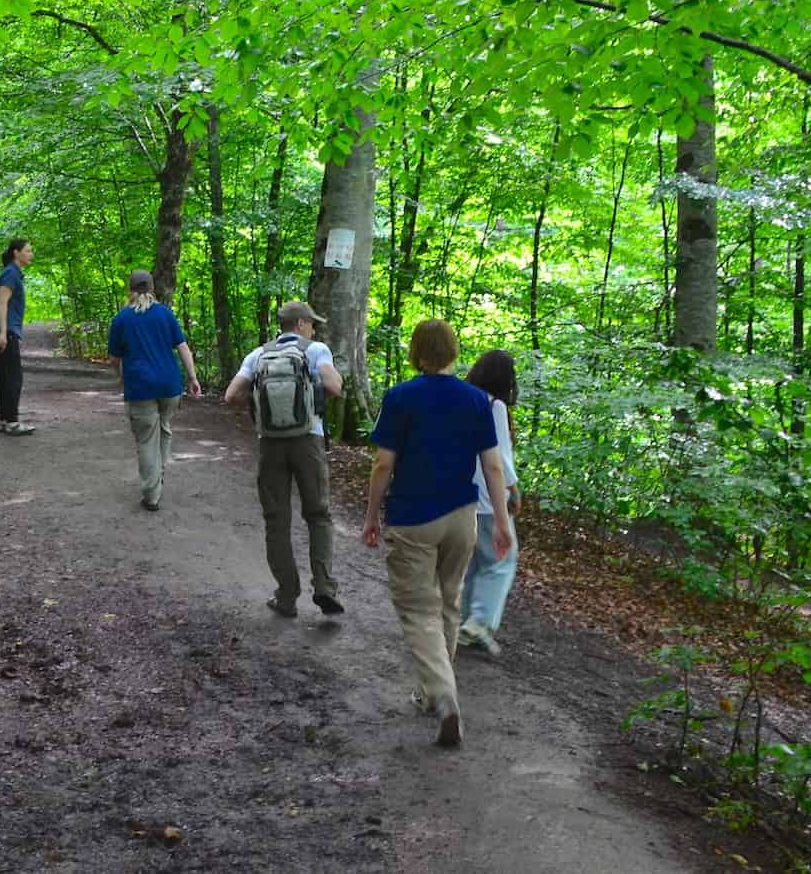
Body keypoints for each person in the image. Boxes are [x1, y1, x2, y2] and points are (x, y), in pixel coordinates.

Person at [362, 319, 512, 748]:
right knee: (448, 603)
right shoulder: (476, 400)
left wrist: (372, 514)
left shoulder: (401, 397)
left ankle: (444, 696)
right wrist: (500, 521)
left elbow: (383, 464)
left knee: (418, 610)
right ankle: (433, 696)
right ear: (453, 351)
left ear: (417, 352)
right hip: (463, 517)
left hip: (414, 518)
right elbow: (493, 465)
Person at [224, 301, 345, 619]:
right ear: (302, 324)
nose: (315, 328)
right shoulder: (316, 349)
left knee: (276, 521)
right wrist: (311, 396)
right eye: (313, 323)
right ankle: (324, 588)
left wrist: (263, 408)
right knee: (318, 515)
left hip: (271, 445)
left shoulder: (258, 354)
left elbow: (231, 397)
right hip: (308, 442)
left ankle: (287, 596)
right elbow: (334, 386)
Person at [107, 270, 202, 510]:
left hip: (140, 387)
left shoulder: (121, 319)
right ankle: (158, 476)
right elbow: (183, 348)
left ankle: (151, 494)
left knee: (146, 440)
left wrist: (120, 378)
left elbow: (114, 359)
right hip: (170, 386)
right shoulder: (166, 315)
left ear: (130, 290)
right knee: (164, 430)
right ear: (152, 289)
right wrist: (192, 377)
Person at [458, 349, 522, 655]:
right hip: (487, 495)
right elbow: (500, 457)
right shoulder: (494, 406)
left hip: (459, 492)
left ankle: (463, 622)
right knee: (501, 559)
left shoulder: (461, 399)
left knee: (474, 563)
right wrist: (513, 489)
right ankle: (479, 622)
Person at [0, 239, 34, 436]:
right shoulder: (11, 274)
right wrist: (4, 332)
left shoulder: (10, 273)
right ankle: (12, 422)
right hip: (3, 331)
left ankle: (3, 420)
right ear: (16, 253)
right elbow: (2, 303)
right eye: (28, 251)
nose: (31, 254)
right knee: (14, 377)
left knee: (5, 377)